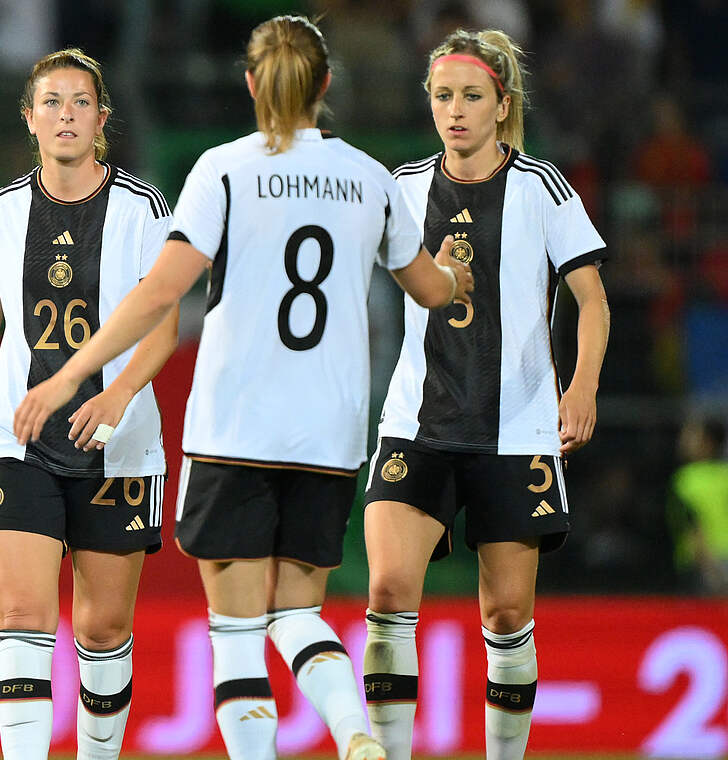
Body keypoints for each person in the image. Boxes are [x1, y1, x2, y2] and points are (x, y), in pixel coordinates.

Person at [13, 16, 472, 760]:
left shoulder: (224, 169)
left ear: (253, 84)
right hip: (329, 431)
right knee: (298, 613)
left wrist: (70, 371)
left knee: (235, 634)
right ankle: (354, 729)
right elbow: (429, 289)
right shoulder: (370, 177)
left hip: (236, 425)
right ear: (325, 84)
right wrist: (457, 271)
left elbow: (160, 293)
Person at [0, 48, 178, 760]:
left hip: (117, 445)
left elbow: (165, 323)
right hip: (16, 438)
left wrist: (118, 393)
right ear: (29, 119)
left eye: (80, 102)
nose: (66, 115)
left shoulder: (143, 208)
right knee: (24, 614)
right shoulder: (0, 213)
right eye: (52, 102)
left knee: (102, 630)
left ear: (102, 119)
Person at [360, 30, 610, 760]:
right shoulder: (400, 188)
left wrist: (582, 384)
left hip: (518, 427)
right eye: (443, 96)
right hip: (417, 421)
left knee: (505, 613)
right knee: (387, 593)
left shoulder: (542, 186)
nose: (456, 111)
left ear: (503, 106)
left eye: (472, 97)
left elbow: (591, 299)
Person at [668, 417, 728, 593]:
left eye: (691, 435)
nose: (683, 439)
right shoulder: (724, 475)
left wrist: (710, 570)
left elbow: (693, 526)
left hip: (702, 566)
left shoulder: (686, 479)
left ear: (708, 443)